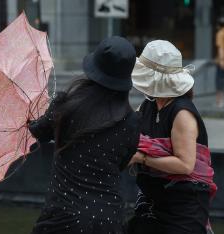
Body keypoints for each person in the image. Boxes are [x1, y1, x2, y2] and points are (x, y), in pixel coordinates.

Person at [29, 36, 140, 234]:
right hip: (109, 220)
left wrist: (31, 115)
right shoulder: (131, 122)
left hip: (64, 216)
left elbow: (39, 132)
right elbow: (122, 162)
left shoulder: (67, 105)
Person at [127, 40, 214, 234]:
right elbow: (129, 131)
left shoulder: (182, 113)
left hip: (183, 205)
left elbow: (185, 165)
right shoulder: (149, 104)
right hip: (153, 198)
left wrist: (142, 158)